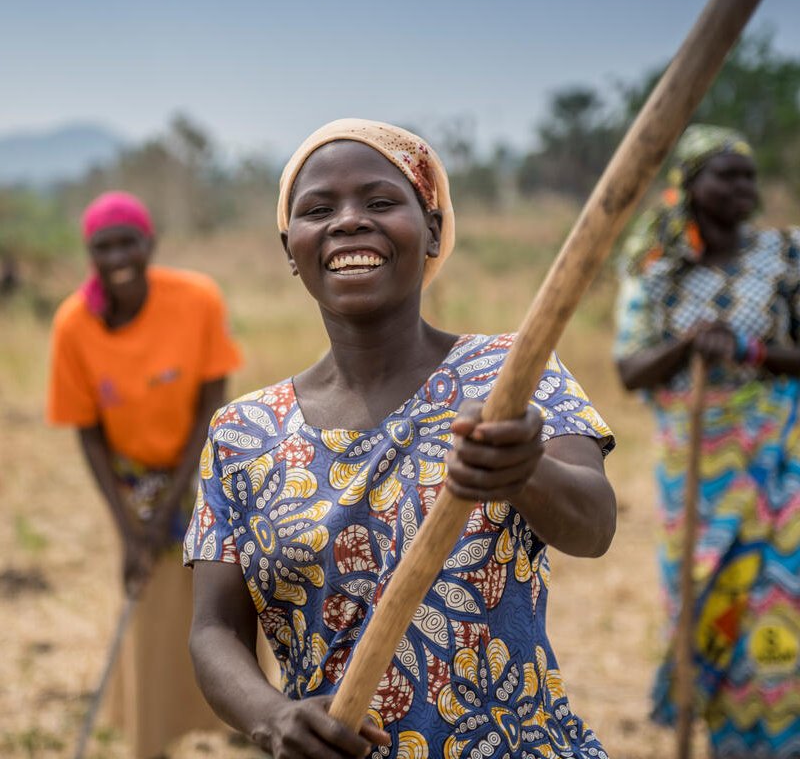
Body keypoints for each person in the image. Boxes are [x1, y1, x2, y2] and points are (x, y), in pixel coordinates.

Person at [184, 119, 617, 759]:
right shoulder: (242, 434)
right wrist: (272, 717)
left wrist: (523, 471)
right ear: (290, 248)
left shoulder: (511, 374)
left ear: (434, 229)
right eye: (318, 209)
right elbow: (214, 628)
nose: (349, 221)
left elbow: (595, 525)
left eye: (381, 201)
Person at [614, 124, 800, 758]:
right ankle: (722, 740)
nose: (745, 187)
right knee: (705, 595)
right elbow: (630, 368)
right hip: (696, 458)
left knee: (780, 592)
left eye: (750, 174)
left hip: (781, 451)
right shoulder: (656, 271)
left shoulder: (786, 256)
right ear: (691, 186)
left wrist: (748, 348)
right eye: (728, 174)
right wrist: (689, 343)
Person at [47, 191, 243, 758]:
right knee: (152, 599)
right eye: (103, 247)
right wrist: (132, 528)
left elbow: (212, 406)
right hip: (134, 478)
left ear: (150, 243)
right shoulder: (73, 326)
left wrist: (174, 503)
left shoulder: (197, 299)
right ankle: (151, 735)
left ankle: (245, 718)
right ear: (90, 254)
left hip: (204, 462)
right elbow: (87, 432)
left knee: (223, 585)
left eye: (127, 242)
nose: (118, 257)